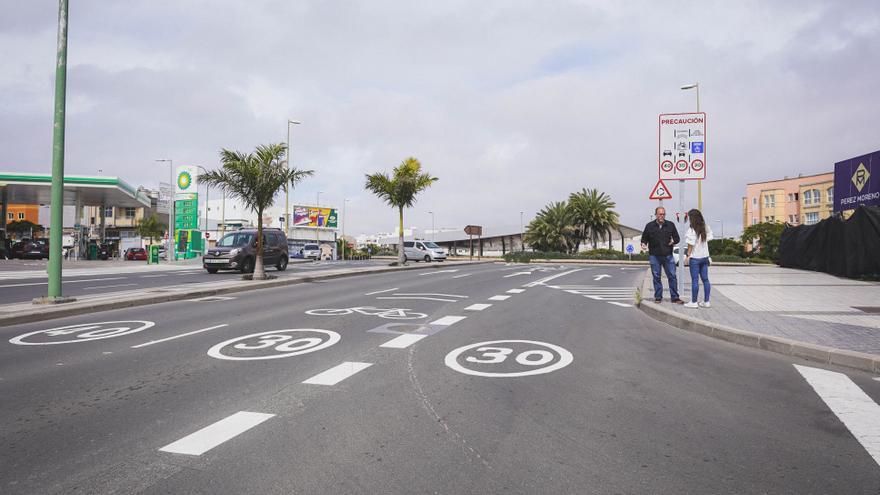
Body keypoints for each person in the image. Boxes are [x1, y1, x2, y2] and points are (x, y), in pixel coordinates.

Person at [641, 206, 683, 304]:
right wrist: (643, 244)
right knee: (656, 277)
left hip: (667, 255)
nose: (662, 216)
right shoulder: (649, 226)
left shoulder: (670, 225)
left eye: (663, 214)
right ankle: (658, 297)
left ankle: (675, 297)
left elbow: (677, 238)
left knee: (672, 276)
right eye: (660, 214)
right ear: (656, 214)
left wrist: (673, 241)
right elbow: (644, 238)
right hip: (654, 256)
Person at [684, 209, 713, 308]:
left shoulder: (691, 230)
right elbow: (709, 238)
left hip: (695, 258)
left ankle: (694, 302)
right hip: (705, 257)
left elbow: (690, 244)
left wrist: (687, 256)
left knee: (695, 280)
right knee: (705, 280)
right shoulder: (705, 227)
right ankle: (706, 301)